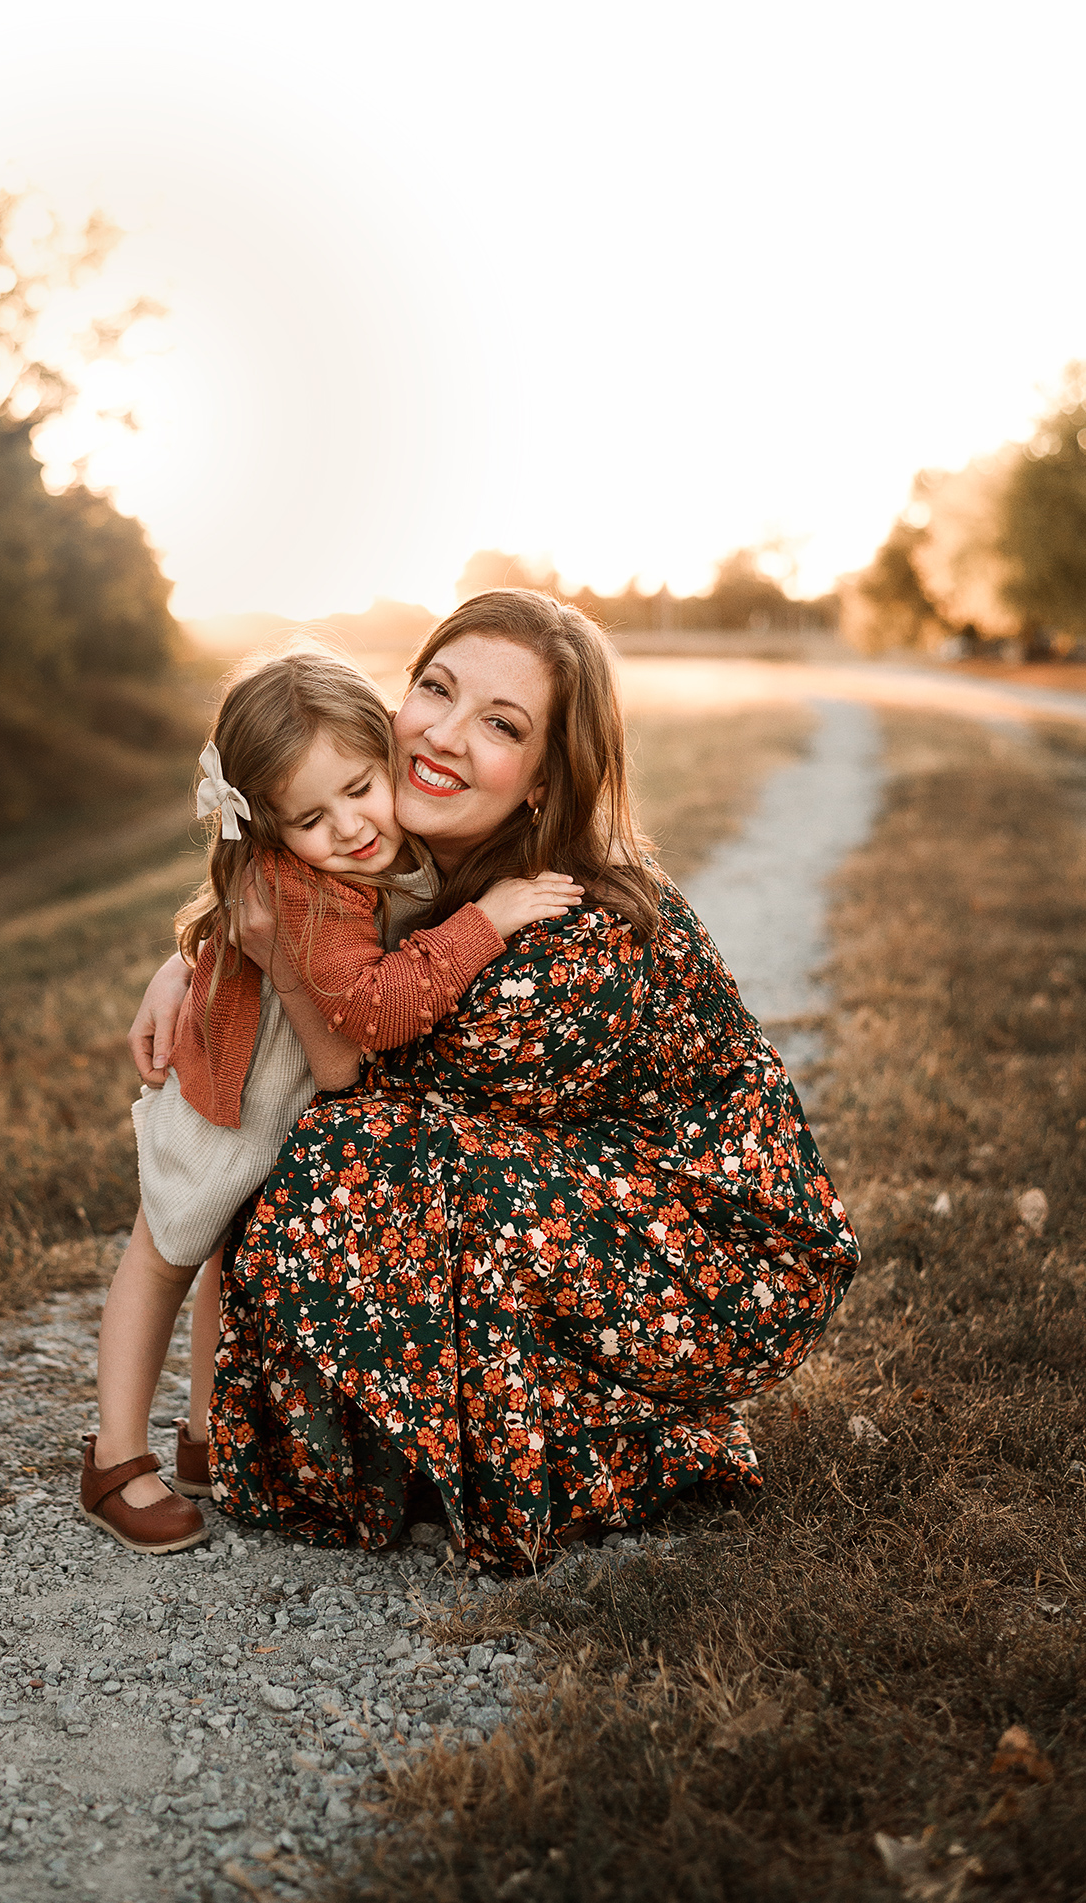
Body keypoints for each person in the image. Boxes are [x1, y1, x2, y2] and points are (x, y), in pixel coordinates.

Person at [129, 590, 860, 1572]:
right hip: (592, 1209)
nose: (444, 733)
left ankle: (623, 1431)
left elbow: (355, 1060)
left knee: (338, 1161)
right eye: (436, 687)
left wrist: (274, 957)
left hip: (718, 1266)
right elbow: (300, 902)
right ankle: (481, 1423)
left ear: (545, 780)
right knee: (334, 1167)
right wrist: (199, 955)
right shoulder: (414, 850)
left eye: (502, 723)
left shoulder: (571, 931)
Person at [83, 648, 583, 1554]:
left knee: (224, 1250)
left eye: (361, 787)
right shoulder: (305, 893)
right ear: (270, 829)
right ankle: (115, 1456)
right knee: (165, 1250)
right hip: (227, 1095)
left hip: (278, 1096)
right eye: (310, 819)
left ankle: (207, 1437)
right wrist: (489, 920)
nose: (352, 827)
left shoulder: (388, 844)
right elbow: (378, 1013)